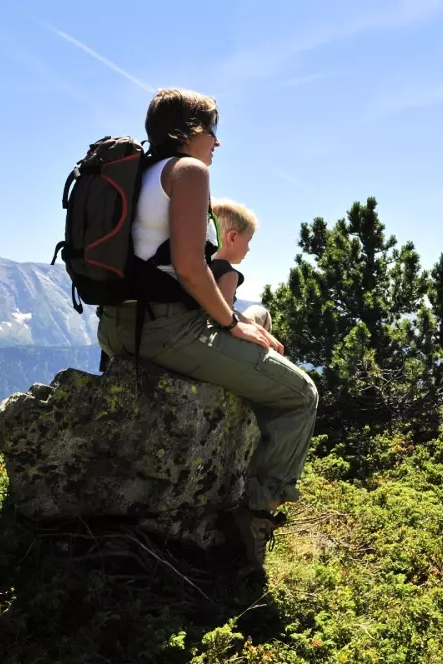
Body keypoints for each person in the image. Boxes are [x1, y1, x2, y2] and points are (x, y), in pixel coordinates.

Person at [95, 88, 318, 575]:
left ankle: (241, 442)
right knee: (300, 394)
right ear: (190, 132)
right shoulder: (189, 173)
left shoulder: (143, 173)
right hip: (166, 331)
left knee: (258, 323)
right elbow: (191, 269)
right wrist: (230, 322)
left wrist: (242, 323)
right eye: (212, 129)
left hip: (119, 328)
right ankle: (255, 516)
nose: (217, 142)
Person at [209, 198, 274, 333]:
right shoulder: (229, 274)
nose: (248, 248)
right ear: (232, 237)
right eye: (248, 241)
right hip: (220, 332)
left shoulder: (204, 263)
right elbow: (225, 314)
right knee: (262, 313)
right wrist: (251, 325)